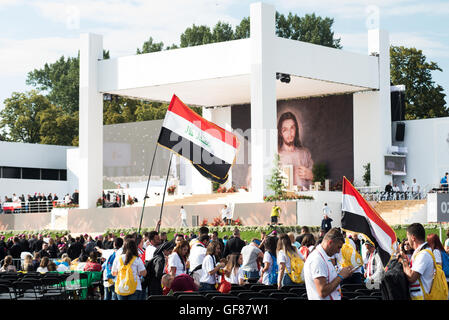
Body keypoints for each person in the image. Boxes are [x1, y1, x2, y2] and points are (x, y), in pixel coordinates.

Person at [304, 228, 354, 300]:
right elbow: (322, 292)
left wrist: (343, 272)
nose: (338, 251)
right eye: (338, 247)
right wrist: (340, 276)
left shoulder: (323, 257)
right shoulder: (317, 259)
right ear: (330, 242)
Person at [400, 223, 437, 300]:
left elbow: (411, 277)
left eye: (408, 237)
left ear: (413, 237)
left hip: (422, 297)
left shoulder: (423, 254)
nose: (408, 240)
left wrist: (403, 260)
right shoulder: (420, 252)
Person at [278, 111, 314, 190]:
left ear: (296, 129)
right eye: (285, 130)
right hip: (284, 200)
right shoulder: (276, 156)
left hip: (306, 199)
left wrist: (312, 176)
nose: (289, 133)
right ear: (280, 133)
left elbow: (319, 180)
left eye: (292, 128)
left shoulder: (305, 154)